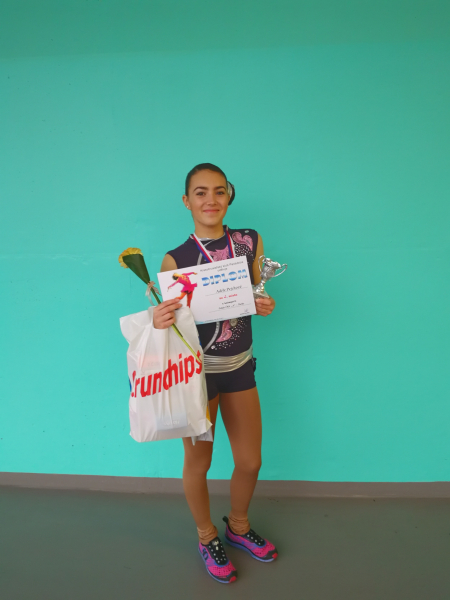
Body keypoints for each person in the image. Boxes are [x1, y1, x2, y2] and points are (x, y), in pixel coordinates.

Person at [153, 163, 278, 584]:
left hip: (239, 367)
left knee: (250, 460)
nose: (211, 200)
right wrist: (158, 319)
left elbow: (255, 292)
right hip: (197, 378)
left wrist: (263, 302)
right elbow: (173, 326)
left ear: (229, 196)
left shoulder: (248, 242)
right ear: (187, 201)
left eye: (219, 191)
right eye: (201, 192)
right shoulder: (176, 258)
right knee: (199, 462)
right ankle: (207, 536)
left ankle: (238, 527)